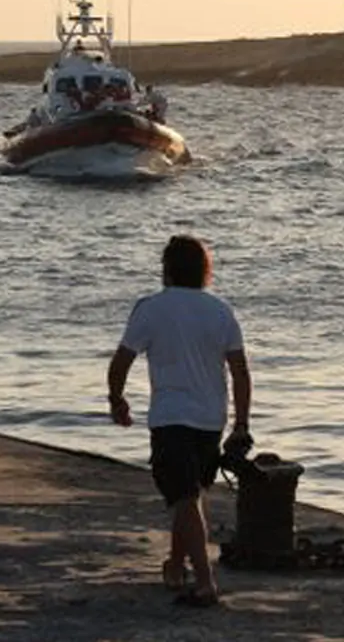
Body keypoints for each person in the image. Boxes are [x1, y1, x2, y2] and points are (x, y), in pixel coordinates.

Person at [106, 235, 253, 608]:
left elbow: (122, 360)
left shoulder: (151, 308)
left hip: (171, 417)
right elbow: (240, 372)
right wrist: (240, 424)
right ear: (205, 270)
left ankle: (204, 583)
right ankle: (175, 566)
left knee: (184, 498)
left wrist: (117, 399)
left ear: (166, 270)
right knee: (187, 496)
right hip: (211, 419)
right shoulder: (221, 311)